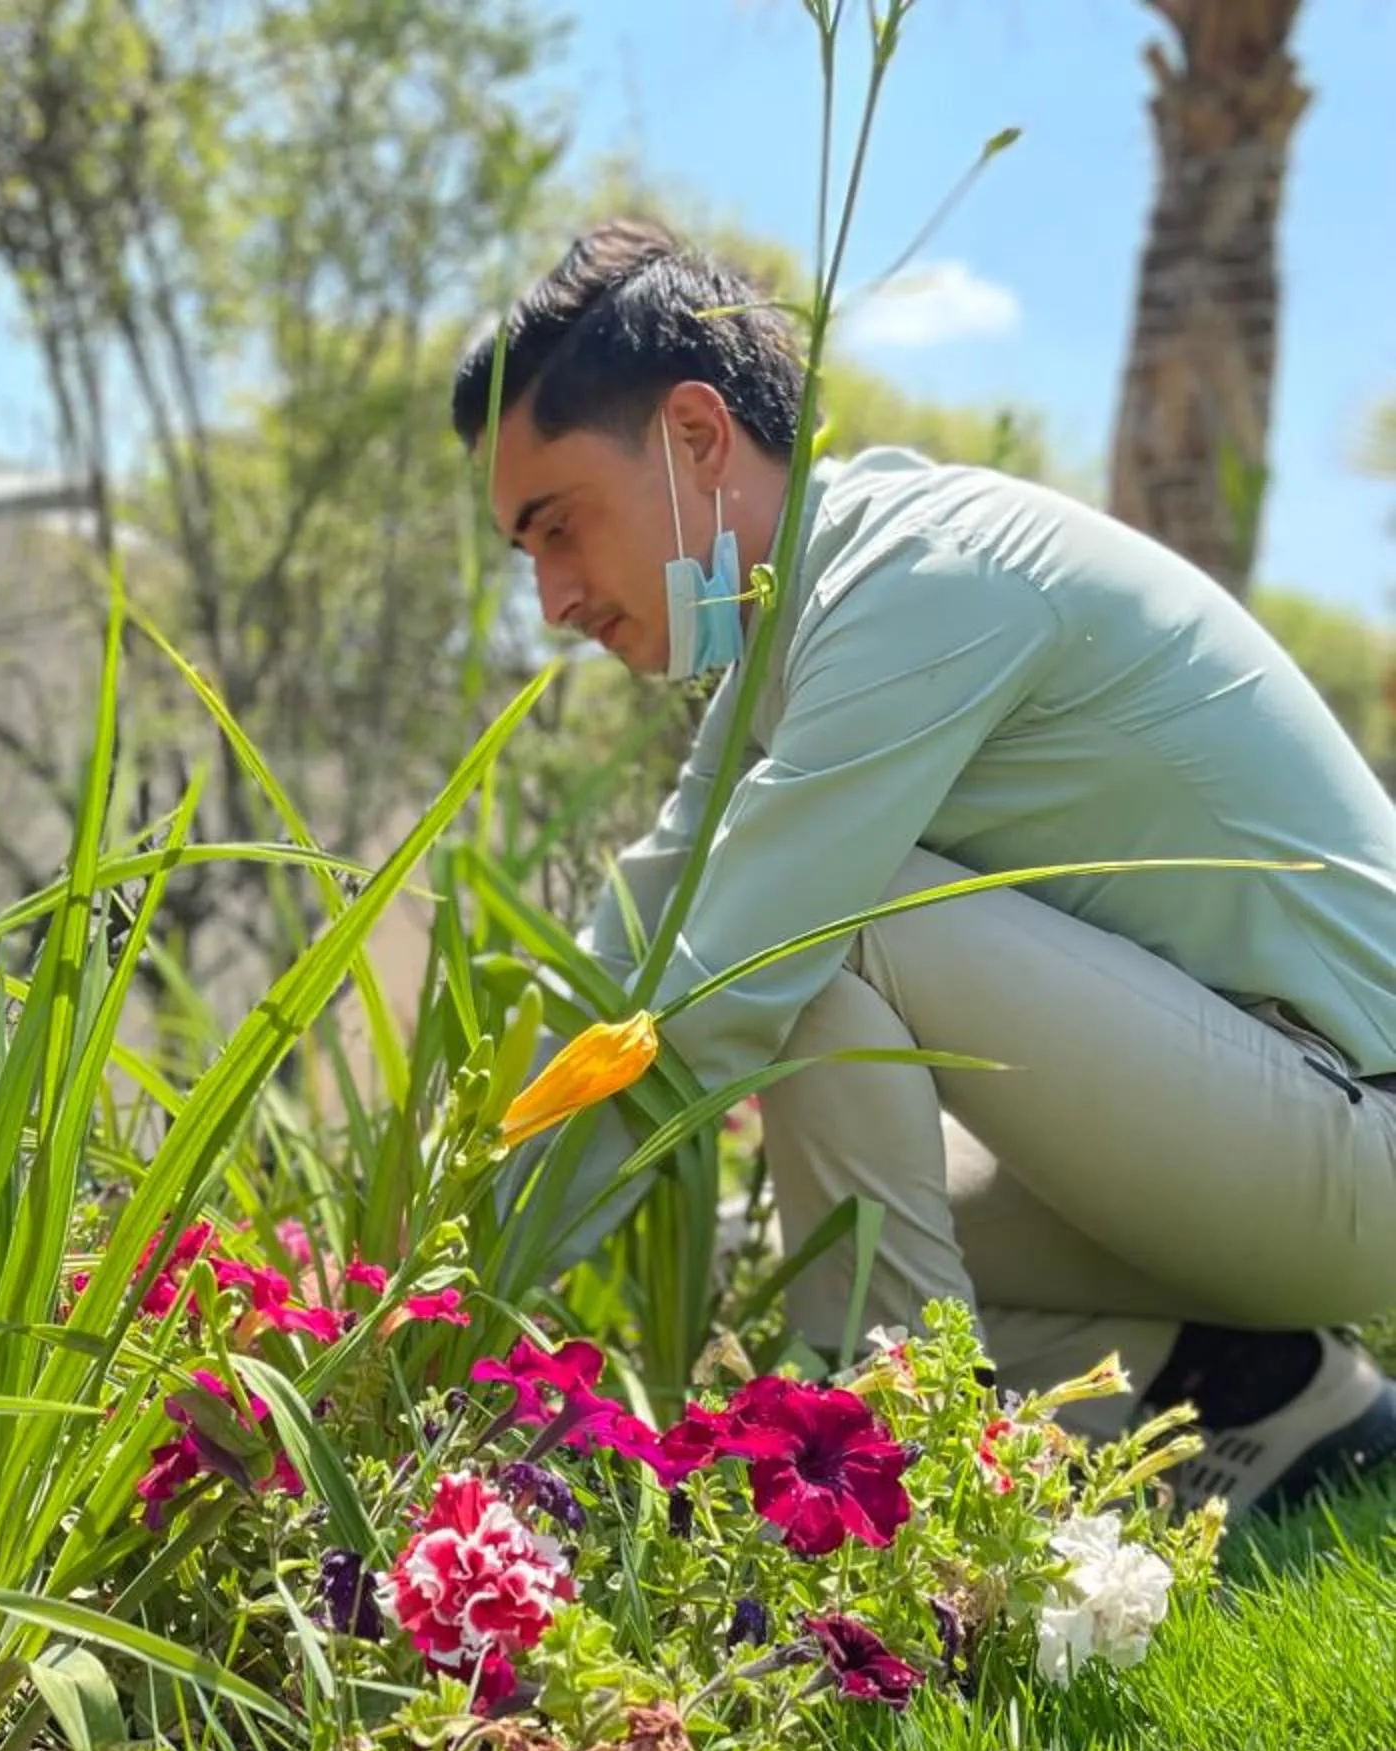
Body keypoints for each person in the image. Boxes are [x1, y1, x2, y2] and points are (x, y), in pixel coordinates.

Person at [451, 220, 1396, 1517]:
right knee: (788, 1242)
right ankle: (1258, 1390)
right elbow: (635, 937)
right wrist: (445, 1233)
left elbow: (724, 983)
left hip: (1356, 1142)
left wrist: (463, 1320)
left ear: (691, 435)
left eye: (559, 529)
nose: (552, 598)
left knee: (821, 935)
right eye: (528, 555)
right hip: (1242, 1148)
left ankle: (913, 1499)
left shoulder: (913, 582)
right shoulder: (791, 635)